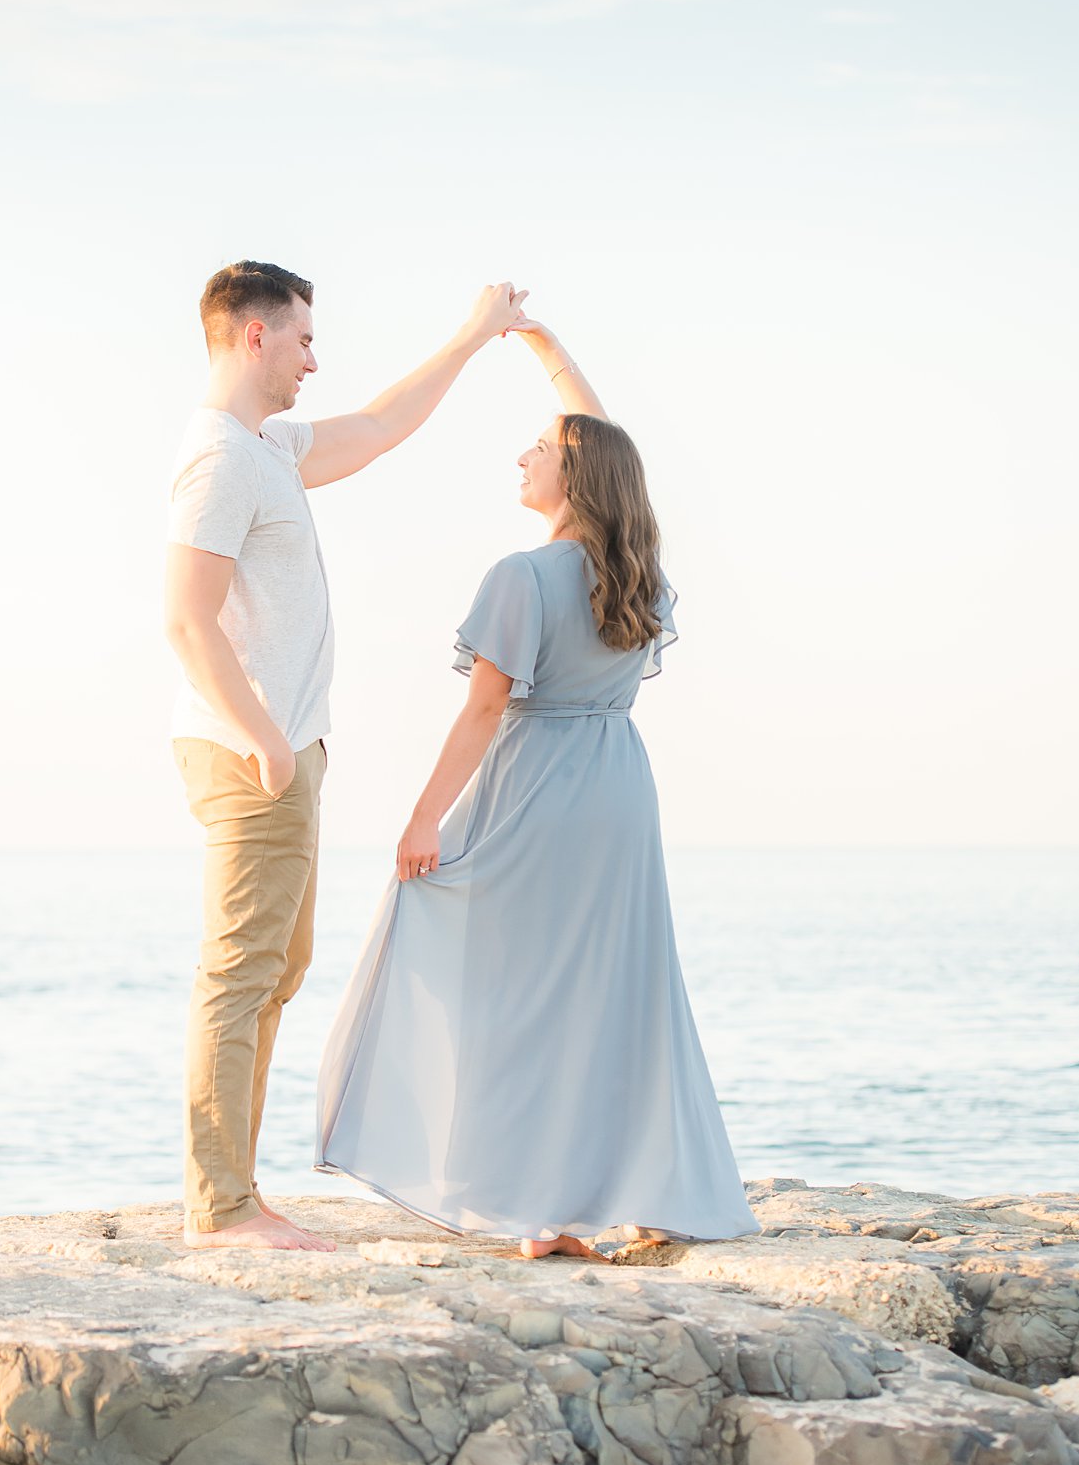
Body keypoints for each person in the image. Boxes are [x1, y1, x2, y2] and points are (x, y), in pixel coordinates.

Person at [316, 315, 758, 1255]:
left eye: (542, 450)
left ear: (573, 477)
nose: (523, 456)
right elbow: (608, 450)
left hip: (533, 785)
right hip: (618, 789)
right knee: (612, 990)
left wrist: (421, 818)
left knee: (505, 990)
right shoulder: (636, 573)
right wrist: (545, 350)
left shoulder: (522, 575)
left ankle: (527, 1204)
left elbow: (482, 714)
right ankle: (629, 1190)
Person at [165, 260, 528, 1251]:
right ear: (253, 335)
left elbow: (375, 426)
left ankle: (233, 1190)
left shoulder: (265, 449)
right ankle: (221, 1207)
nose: (313, 361)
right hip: (254, 757)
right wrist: (263, 742)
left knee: (276, 970)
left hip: (284, 752)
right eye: (302, 340)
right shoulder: (219, 460)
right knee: (241, 975)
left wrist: (468, 337)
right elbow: (186, 620)